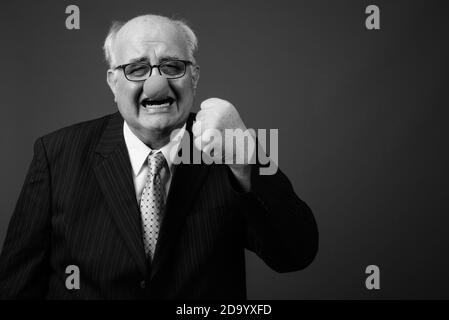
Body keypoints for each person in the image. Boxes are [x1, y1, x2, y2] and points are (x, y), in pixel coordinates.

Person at [0, 14, 318, 299]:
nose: (157, 84)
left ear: (193, 76)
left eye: (172, 66)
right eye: (137, 68)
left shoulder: (228, 148)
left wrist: (247, 162)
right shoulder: (56, 154)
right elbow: (16, 286)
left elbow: (295, 254)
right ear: (113, 82)